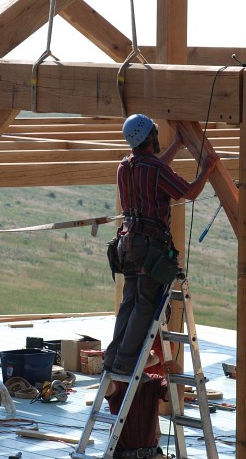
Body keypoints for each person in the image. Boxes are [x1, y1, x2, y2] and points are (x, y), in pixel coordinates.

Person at [103, 114, 219, 375]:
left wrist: (177, 144)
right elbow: (189, 192)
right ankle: (126, 361)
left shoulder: (125, 166)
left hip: (127, 244)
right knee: (144, 305)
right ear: (150, 136)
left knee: (129, 302)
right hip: (149, 246)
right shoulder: (154, 169)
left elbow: (154, 169)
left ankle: (112, 358)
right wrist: (207, 170)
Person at [106, 348, 180, 459]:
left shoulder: (154, 381)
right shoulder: (118, 383)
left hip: (151, 455)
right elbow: (108, 389)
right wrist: (107, 369)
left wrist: (178, 373)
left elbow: (176, 396)